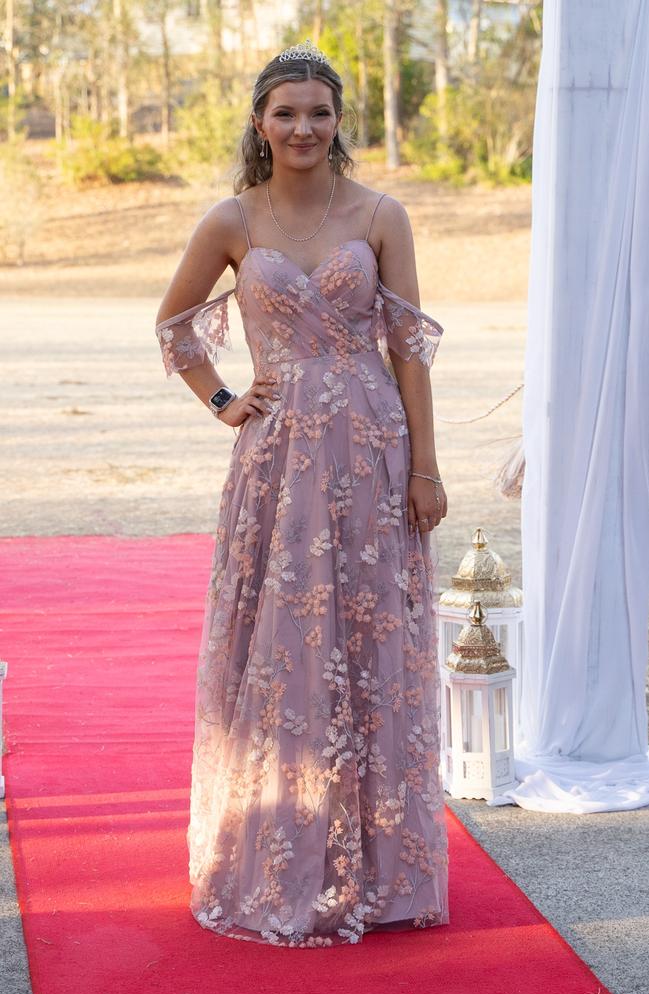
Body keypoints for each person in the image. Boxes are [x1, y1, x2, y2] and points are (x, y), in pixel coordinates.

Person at [155, 38, 449, 948]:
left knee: (370, 645)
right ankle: (284, 858)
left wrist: (427, 467)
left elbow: (409, 350)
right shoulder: (230, 221)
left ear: (337, 122)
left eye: (319, 112)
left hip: (371, 450)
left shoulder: (381, 215)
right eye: (286, 112)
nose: (303, 127)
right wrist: (224, 403)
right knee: (286, 650)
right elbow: (175, 329)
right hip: (277, 459)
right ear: (259, 122)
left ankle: (383, 873)